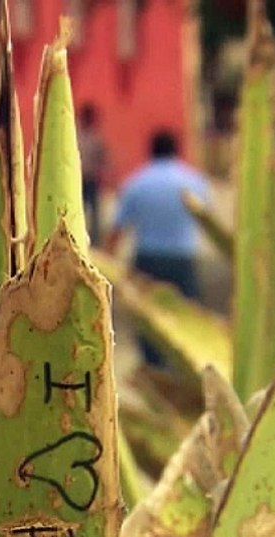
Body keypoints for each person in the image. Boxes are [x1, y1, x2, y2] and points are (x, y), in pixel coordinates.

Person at [106, 129, 211, 364]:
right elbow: (207, 221)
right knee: (186, 318)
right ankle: (185, 369)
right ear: (177, 150)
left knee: (149, 319)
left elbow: (118, 229)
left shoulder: (137, 182)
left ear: (151, 151)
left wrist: (106, 265)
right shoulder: (195, 181)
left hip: (148, 260)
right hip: (183, 259)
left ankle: (155, 371)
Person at [77, 105, 109, 245]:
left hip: (91, 179)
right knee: (78, 210)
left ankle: (94, 240)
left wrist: (102, 175)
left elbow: (103, 160)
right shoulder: (76, 137)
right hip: (78, 179)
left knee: (94, 212)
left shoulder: (96, 139)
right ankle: (79, 235)